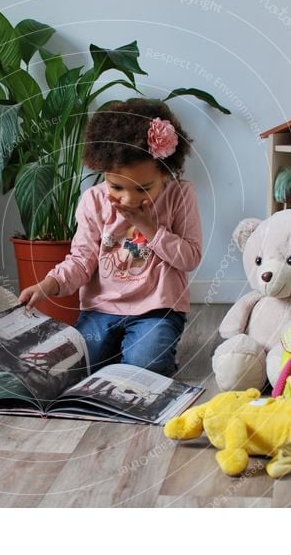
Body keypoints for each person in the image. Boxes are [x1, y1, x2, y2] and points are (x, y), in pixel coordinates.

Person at [19, 99, 202, 376]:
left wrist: (148, 227)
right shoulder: (93, 201)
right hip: (101, 311)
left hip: (156, 309)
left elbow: (189, 257)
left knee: (145, 368)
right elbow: (81, 262)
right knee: (70, 368)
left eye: (143, 189)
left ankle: (144, 351)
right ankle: (118, 350)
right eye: (116, 186)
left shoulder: (179, 194)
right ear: (102, 172)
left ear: (165, 172)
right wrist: (48, 285)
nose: (129, 199)